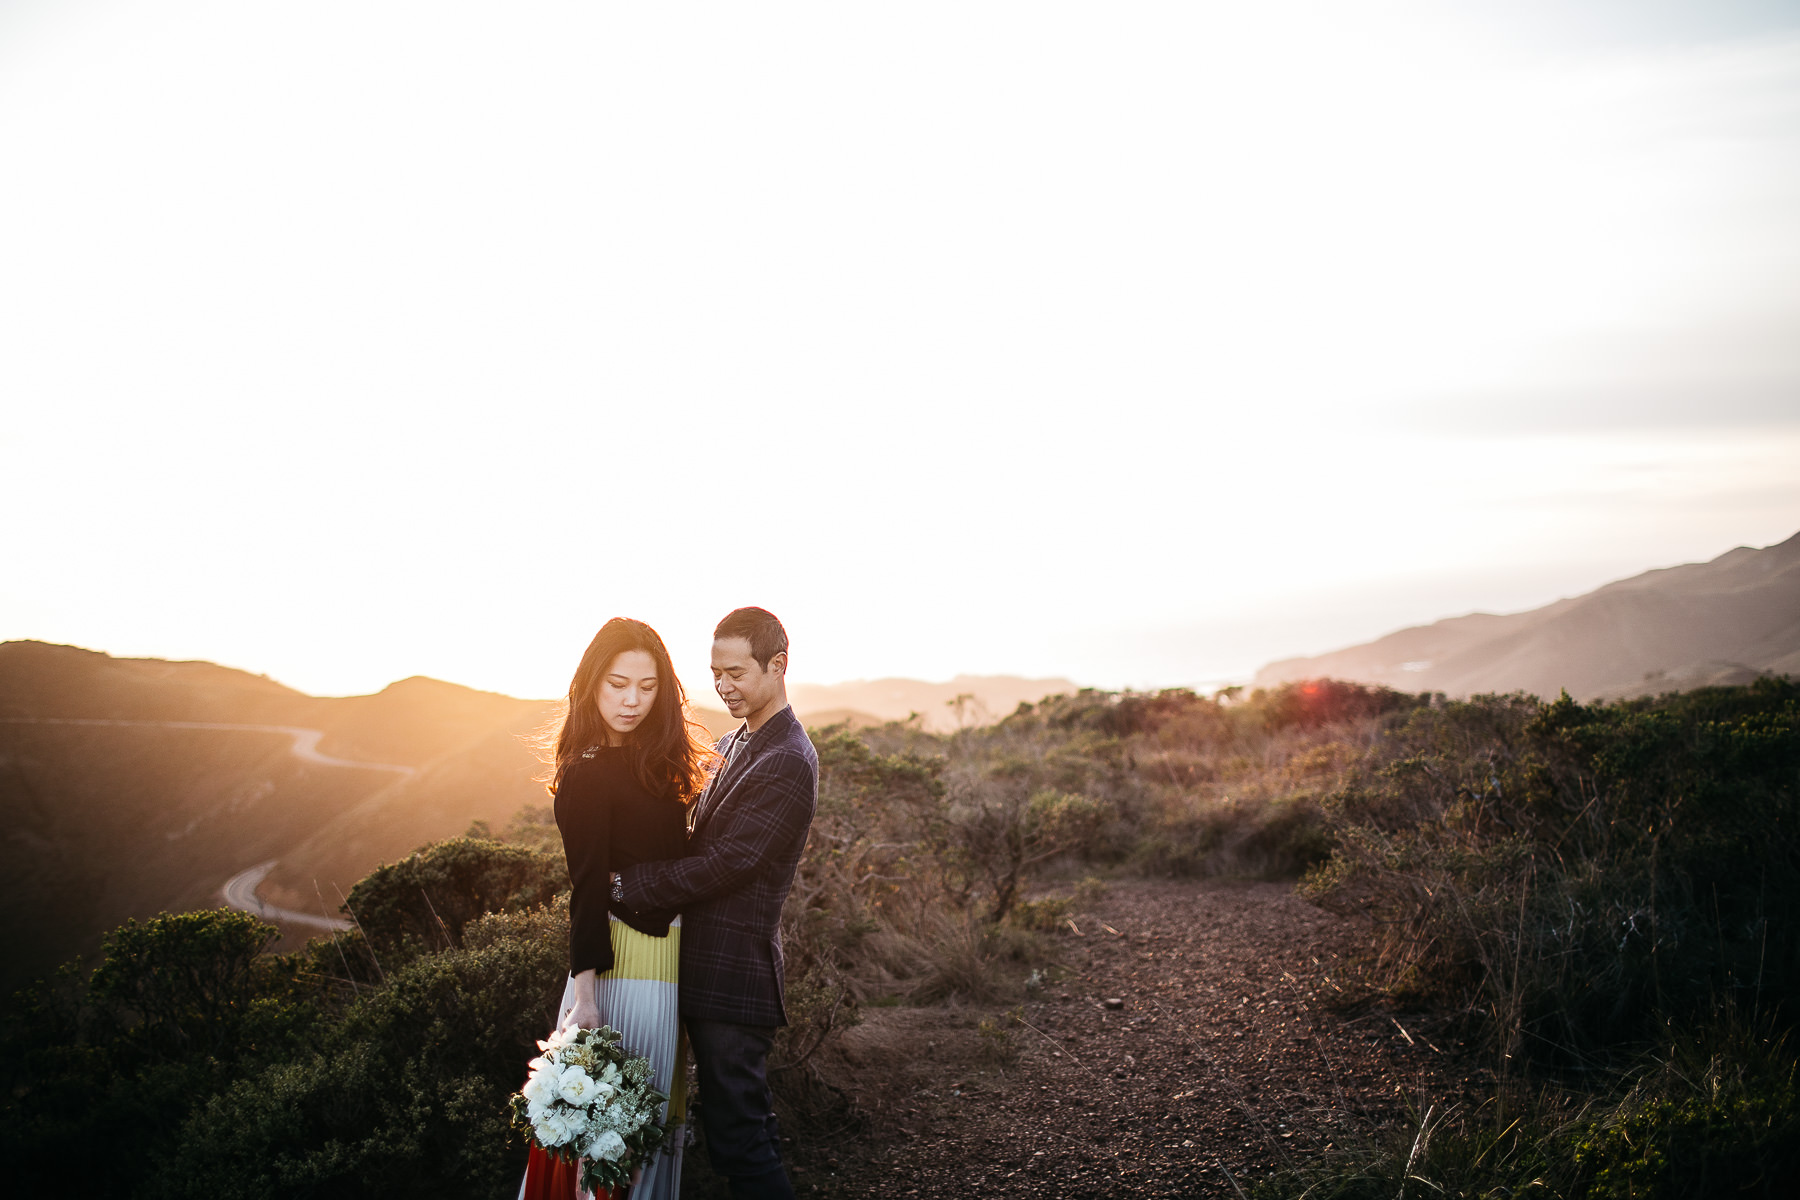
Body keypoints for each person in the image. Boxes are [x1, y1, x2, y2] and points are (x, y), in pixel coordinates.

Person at [612, 607, 818, 1200]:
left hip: (734, 978)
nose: (723, 686)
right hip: (694, 969)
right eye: (715, 673)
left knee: (742, 1138)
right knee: (711, 1130)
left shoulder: (786, 758)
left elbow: (727, 862)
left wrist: (628, 886)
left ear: (777, 666)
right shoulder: (734, 740)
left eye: (736, 672)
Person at [519, 617, 714, 1200]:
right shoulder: (586, 775)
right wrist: (584, 1000)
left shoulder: (659, 764)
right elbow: (586, 889)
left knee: (652, 1124)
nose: (632, 700)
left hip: (669, 964)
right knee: (614, 1140)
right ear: (591, 685)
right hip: (617, 973)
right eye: (617, 684)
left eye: (648, 687)